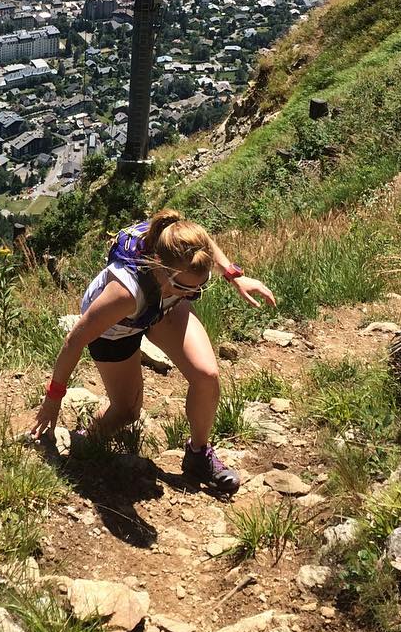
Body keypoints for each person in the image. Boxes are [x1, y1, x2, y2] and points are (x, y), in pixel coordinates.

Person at [29, 210, 276, 494]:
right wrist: (53, 399)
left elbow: (204, 240)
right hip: (118, 328)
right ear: (159, 266)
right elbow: (75, 341)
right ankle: (86, 441)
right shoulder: (124, 293)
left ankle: (198, 455)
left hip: (163, 307)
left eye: (199, 288)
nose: (192, 294)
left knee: (207, 375)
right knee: (127, 411)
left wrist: (232, 275)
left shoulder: (181, 249)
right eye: (186, 287)